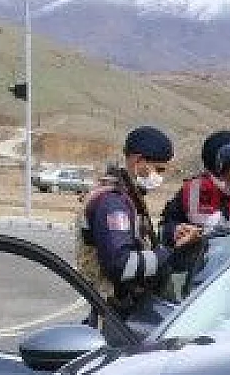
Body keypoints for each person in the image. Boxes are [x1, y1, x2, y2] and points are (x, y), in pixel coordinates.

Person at [76, 125, 202, 317]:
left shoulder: (128, 197)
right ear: (138, 161)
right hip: (115, 312)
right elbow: (121, 264)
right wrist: (169, 254)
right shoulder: (113, 203)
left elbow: (137, 241)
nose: (159, 177)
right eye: (157, 169)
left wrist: (171, 237)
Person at [159, 129, 230, 247]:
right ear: (209, 171)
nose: (228, 182)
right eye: (221, 177)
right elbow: (164, 229)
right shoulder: (191, 190)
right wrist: (176, 231)